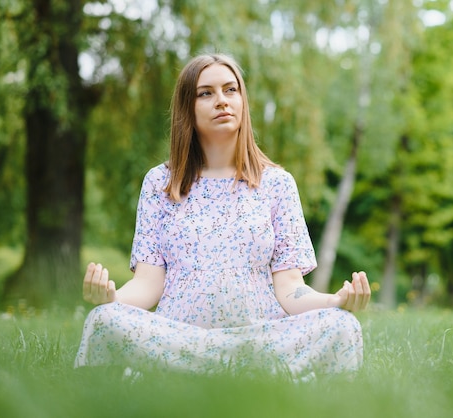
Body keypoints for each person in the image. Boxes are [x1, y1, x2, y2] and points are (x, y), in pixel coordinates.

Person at [74, 53, 371, 380]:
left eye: (231, 90)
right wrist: (111, 299)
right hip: (178, 341)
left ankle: (216, 380)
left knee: (342, 325)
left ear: (243, 101)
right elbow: (148, 284)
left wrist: (335, 299)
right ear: (187, 108)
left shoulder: (277, 184)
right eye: (206, 93)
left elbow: (290, 289)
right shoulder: (160, 183)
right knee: (103, 320)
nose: (221, 101)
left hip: (258, 343)